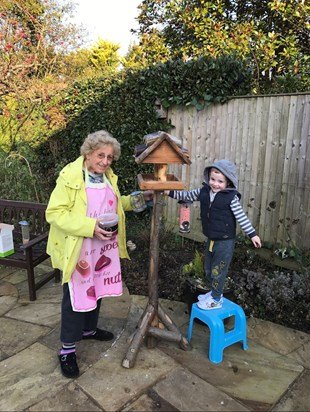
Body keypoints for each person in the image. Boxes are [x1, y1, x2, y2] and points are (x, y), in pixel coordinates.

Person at [46, 130, 151, 378]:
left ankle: (88, 330)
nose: (105, 161)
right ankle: (67, 350)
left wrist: (140, 199)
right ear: (88, 153)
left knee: (98, 287)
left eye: (110, 157)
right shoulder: (71, 176)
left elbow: (116, 204)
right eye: (100, 155)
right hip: (78, 249)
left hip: (102, 248)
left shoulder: (107, 178)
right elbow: (55, 213)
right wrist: (90, 227)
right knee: (75, 297)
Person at [165, 159, 261, 310]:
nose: (215, 184)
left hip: (225, 241)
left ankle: (216, 299)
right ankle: (213, 293)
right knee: (209, 268)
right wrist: (168, 192)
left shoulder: (231, 198)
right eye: (212, 179)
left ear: (228, 183)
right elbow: (188, 195)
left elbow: (241, 217)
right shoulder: (203, 191)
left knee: (218, 270)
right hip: (211, 238)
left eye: (220, 181)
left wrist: (252, 234)